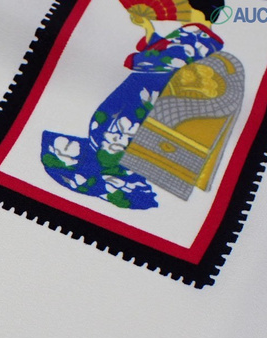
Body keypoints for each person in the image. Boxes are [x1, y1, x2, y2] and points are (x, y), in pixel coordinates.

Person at [41, 1, 225, 209]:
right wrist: (149, 31)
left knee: (121, 122)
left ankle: (104, 169)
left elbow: (166, 60)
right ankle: (104, 166)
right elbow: (166, 53)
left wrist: (140, 57)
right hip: (152, 87)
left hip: (153, 87)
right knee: (117, 120)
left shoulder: (196, 36)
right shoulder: (197, 36)